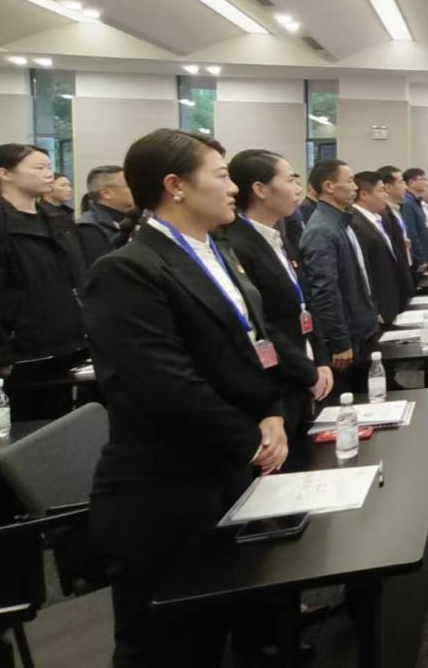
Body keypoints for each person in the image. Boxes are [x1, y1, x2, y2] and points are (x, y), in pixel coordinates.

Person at [84, 129, 289, 667]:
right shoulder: (127, 269)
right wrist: (252, 437)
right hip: (166, 489)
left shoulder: (218, 252)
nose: (233, 187)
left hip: (227, 468)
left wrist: (270, 412)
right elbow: (166, 385)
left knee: (226, 626)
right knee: (171, 647)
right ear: (175, 185)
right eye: (220, 176)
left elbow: (250, 347)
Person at [222, 149, 333, 446]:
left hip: (303, 366)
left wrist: (321, 359)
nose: (298, 189)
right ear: (260, 189)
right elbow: (262, 321)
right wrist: (307, 370)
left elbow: (304, 301)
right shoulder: (235, 245)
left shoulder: (276, 236)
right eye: (291, 180)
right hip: (278, 377)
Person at [0, 144, 90, 420]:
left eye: (49, 167)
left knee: (62, 421)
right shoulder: (2, 222)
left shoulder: (58, 219)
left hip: (66, 342)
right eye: (38, 168)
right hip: (21, 350)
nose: (48, 174)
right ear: (4, 174)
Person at [299, 160, 377, 396]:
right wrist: (340, 341)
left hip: (360, 327)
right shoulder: (322, 229)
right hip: (348, 335)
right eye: (350, 180)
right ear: (329, 186)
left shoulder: (341, 221)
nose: (355, 187)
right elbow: (325, 291)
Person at [349, 171, 409, 326]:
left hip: (391, 299)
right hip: (379, 305)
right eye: (381, 190)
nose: (385, 195)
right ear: (364, 194)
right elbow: (366, 270)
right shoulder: (356, 223)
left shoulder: (378, 218)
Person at [77, 164, 134, 267]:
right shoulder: (89, 228)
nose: (135, 189)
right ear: (106, 193)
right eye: (129, 185)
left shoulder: (132, 219)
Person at [377, 165, 416, 295]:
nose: (405, 187)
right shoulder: (383, 215)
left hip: (406, 266)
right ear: (388, 187)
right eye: (401, 182)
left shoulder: (397, 209)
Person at [401, 168, 428, 270]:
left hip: (426, 256)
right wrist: (421, 259)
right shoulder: (407, 203)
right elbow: (412, 233)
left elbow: (424, 231)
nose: (426, 182)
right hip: (417, 260)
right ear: (411, 183)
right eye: (422, 179)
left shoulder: (416, 201)